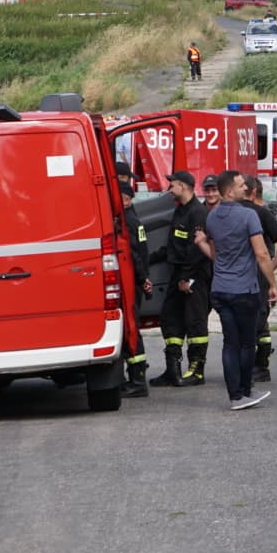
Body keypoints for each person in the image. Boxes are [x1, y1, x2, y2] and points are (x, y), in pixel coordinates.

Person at [202, 170, 275, 410]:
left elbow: (214, 253)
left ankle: (235, 394)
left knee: (229, 343)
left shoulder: (212, 217)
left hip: (220, 288)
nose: (246, 188)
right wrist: (272, 283)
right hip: (244, 289)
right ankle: (244, 391)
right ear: (230, 191)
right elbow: (262, 253)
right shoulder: (248, 216)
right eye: (242, 185)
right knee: (246, 343)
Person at [149, 171, 209, 387]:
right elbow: (173, 245)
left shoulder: (197, 213)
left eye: (172, 185)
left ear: (183, 186)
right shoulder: (180, 211)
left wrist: (187, 279)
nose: (169, 189)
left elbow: (197, 250)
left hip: (195, 276)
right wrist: (148, 259)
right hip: (178, 274)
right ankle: (172, 369)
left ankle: (197, 370)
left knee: (195, 322)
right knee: (170, 318)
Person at [240, 174, 277, 382]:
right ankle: (260, 365)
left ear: (251, 192)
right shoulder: (264, 212)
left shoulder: (259, 212)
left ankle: (259, 366)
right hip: (260, 272)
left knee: (257, 321)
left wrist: (270, 267)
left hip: (256, 273)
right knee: (261, 321)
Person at [116, 163, 153, 399]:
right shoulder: (133, 217)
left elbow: (134, 255)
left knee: (131, 329)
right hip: (137, 281)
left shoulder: (127, 221)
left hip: (132, 281)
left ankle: (138, 379)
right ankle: (135, 375)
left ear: (127, 199)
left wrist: (141, 278)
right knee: (131, 327)